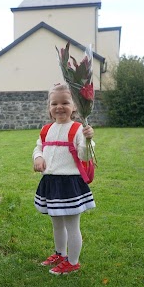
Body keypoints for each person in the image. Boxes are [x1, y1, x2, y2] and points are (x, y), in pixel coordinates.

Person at [32, 82, 96, 275]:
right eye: (54, 103)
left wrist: (87, 139)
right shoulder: (46, 130)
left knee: (71, 225)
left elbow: (85, 156)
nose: (59, 107)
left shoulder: (77, 129)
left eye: (65, 102)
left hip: (69, 184)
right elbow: (39, 147)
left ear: (74, 106)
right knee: (57, 224)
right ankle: (60, 253)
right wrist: (38, 157)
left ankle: (73, 262)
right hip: (51, 183)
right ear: (49, 107)